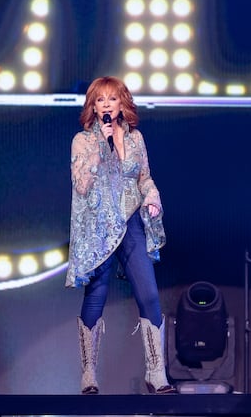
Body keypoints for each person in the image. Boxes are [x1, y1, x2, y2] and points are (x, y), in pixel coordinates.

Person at [66, 76, 176, 395]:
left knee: (150, 295)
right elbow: (82, 185)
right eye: (100, 100)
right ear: (93, 107)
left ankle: (156, 373)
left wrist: (153, 198)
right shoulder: (82, 141)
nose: (106, 105)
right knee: (97, 295)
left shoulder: (136, 139)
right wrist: (101, 147)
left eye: (112, 99)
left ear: (121, 103)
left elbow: (144, 178)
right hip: (100, 229)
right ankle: (89, 374)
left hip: (130, 224)